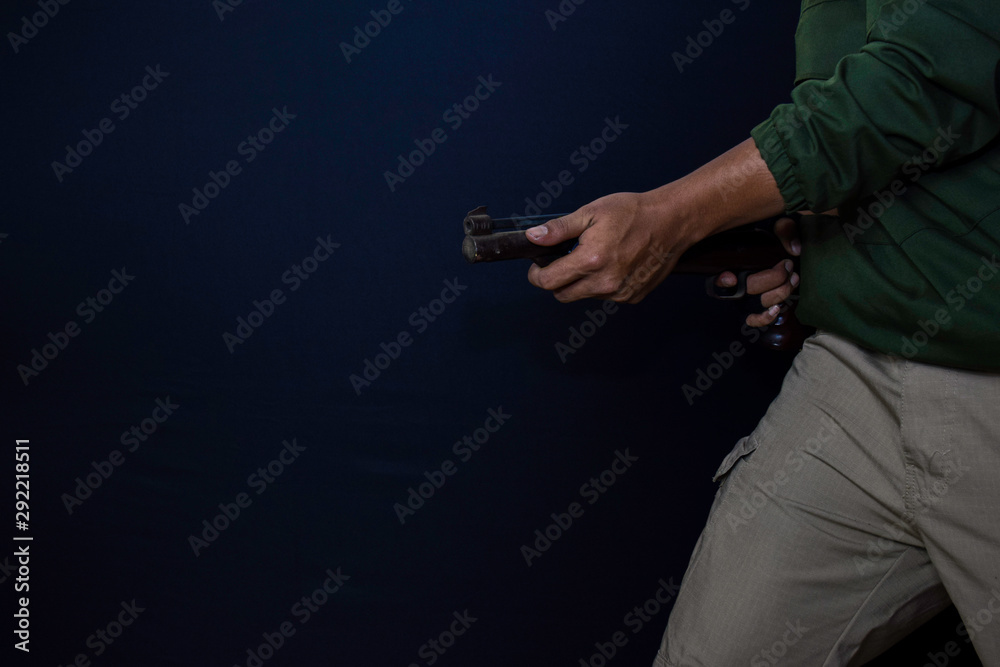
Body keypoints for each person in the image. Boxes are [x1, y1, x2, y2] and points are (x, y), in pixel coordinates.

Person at [524, 1, 1000, 664]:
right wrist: (832, 252)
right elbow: (867, 125)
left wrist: (672, 215)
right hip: (855, 382)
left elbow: (918, 85)